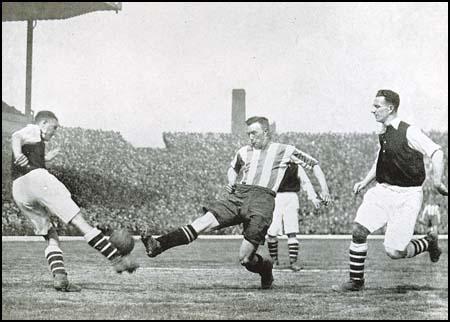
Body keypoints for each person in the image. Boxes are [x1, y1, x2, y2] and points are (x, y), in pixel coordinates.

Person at [141, 116, 329, 289]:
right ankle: (158, 245)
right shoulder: (244, 152)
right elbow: (233, 169)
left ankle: (265, 269)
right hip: (239, 195)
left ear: (266, 132)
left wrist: (324, 190)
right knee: (203, 222)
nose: (250, 138)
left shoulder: (284, 150)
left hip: (262, 201)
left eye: (254, 133)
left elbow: (314, 164)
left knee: (245, 259)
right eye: (248, 134)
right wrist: (231, 181)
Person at [11, 110, 139, 292]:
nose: (54, 131)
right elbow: (16, 136)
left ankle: (60, 277)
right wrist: (17, 154)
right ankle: (117, 259)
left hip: (19, 189)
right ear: (43, 123)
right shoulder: (32, 129)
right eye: (54, 127)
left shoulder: (36, 142)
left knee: (51, 236)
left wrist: (45, 158)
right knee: (80, 222)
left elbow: (29, 153)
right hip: (37, 179)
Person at [334, 89, 448, 292]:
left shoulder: (409, 131)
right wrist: (365, 181)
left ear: (390, 108)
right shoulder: (383, 131)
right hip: (383, 191)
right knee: (358, 230)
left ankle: (429, 241)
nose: (373, 110)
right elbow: (381, 157)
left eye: (377, 106)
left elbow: (437, 152)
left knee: (395, 252)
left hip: (408, 195)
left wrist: (437, 181)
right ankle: (356, 281)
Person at [266, 162, 326, 271]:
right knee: (272, 231)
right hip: (275, 197)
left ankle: (293, 261)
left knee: (292, 230)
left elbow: (305, 182)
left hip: (291, 198)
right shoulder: (271, 164)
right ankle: (274, 261)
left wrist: (313, 197)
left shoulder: (296, 166)